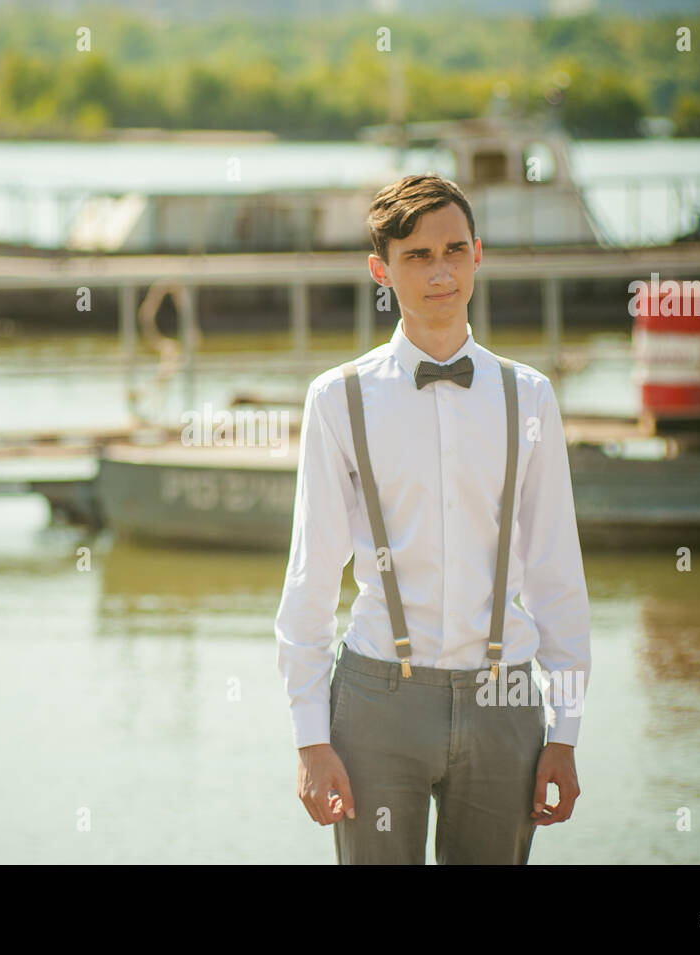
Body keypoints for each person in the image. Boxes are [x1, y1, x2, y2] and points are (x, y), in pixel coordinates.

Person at [273, 173, 591, 864]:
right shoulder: (338, 399)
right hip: (377, 701)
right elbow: (312, 573)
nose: (440, 270)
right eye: (417, 255)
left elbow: (556, 572)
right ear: (380, 270)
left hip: (506, 697)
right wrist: (309, 735)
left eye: (454, 250)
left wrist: (564, 730)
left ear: (478, 253)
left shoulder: (529, 397)